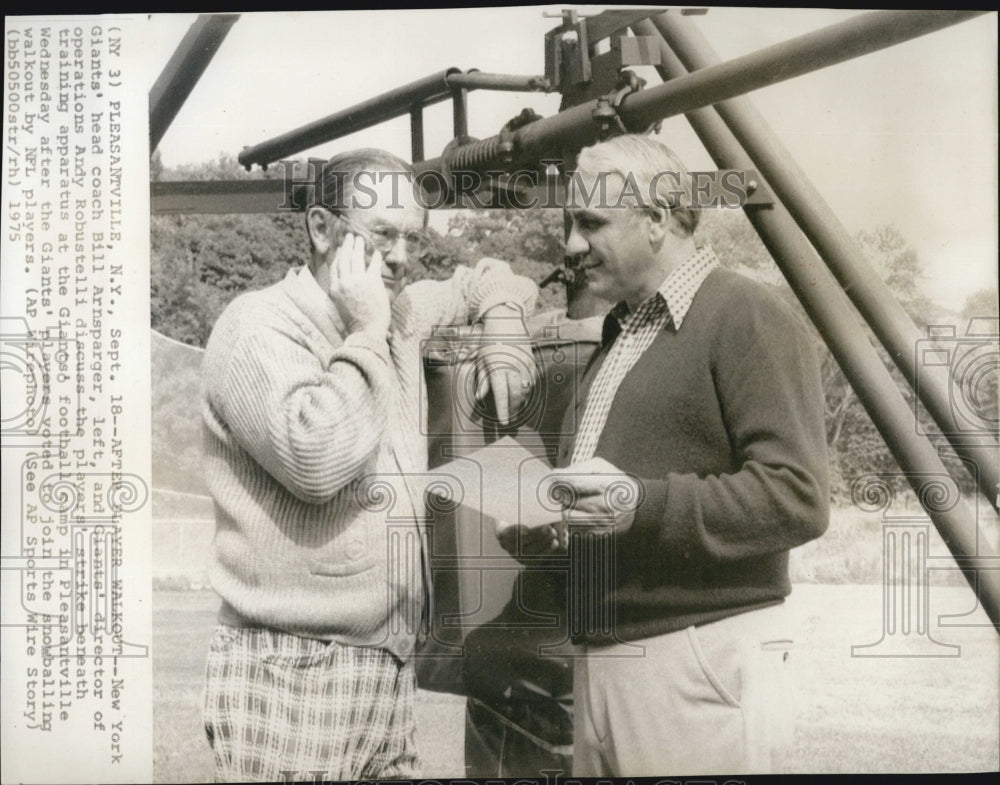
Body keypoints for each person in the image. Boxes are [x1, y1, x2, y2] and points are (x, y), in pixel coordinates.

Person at [199, 148, 538, 782]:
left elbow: (492, 276)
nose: (402, 258)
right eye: (382, 234)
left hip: (385, 665)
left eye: (414, 238)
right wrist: (366, 333)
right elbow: (317, 459)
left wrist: (502, 324)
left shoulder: (395, 319)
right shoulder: (256, 327)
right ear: (322, 229)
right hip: (290, 668)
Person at [525, 134, 830, 775]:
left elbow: (797, 496)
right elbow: (625, 504)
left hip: (694, 660)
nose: (571, 245)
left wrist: (641, 505)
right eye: (568, 223)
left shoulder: (745, 313)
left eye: (591, 223)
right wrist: (558, 536)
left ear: (658, 220)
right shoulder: (623, 333)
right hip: (608, 660)